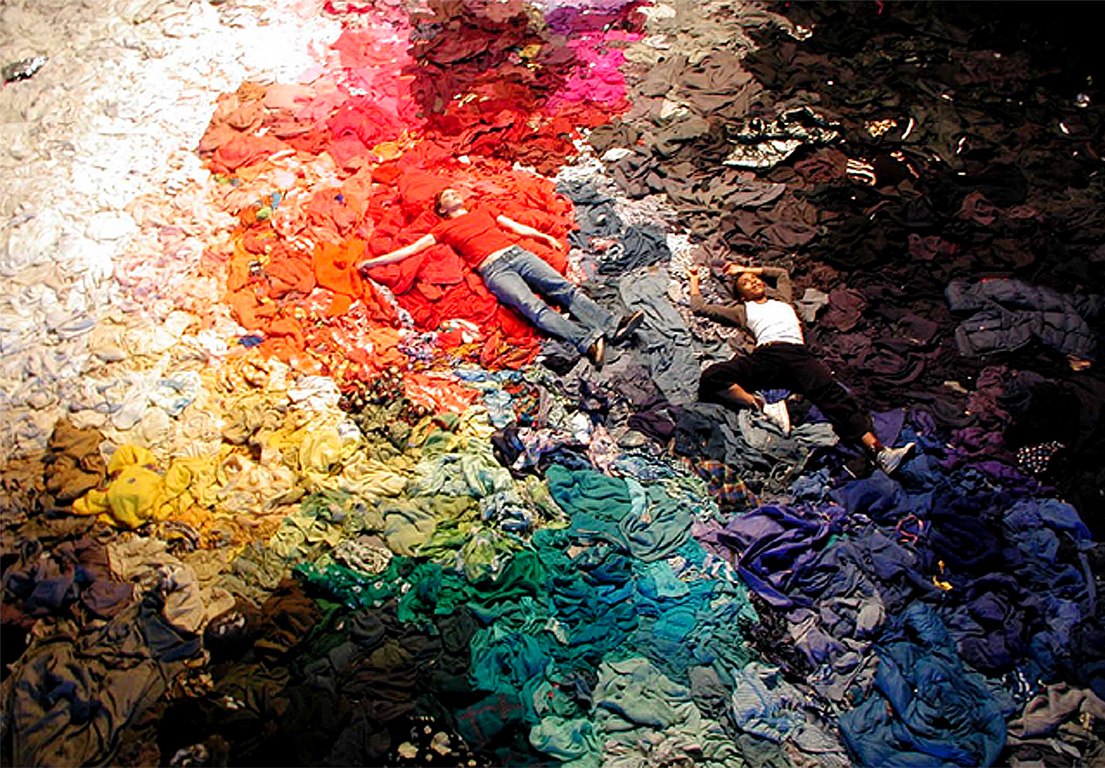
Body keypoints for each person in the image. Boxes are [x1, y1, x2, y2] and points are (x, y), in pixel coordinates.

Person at [357, 188, 644, 368]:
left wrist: (543, 236)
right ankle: (587, 340)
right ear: (442, 210)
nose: (453, 195)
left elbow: (515, 226)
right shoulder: (442, 229)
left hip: (517, 253)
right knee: (533, 308)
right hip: (494, 270)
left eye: (454, 192)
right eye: (446, 196)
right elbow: (409, 250)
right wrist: (373, 262)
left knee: (563, 289)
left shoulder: (484, 211)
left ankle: (613, 326)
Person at [689, 262, 915, 475]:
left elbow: (781, 274)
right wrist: (694, 280)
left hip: (799, 356)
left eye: (755, 279)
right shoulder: (742, 310)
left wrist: (744, 269)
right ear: (742, 296)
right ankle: (764, 407)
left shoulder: (782, 299)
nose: (754, 282)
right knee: (712, 376)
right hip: (768, 355)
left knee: (836, 398)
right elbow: (699, 308)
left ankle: (880, 453)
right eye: (746, 283)